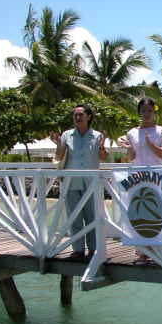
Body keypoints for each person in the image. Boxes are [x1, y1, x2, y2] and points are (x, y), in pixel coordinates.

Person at [118, 98, 162, 263]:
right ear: (139, 113)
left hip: (158, 179)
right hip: (138, 179)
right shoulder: (131, 133)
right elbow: (131, 157)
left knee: (158, 212)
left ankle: (159, 250)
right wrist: (129, 149)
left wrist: (151, 145)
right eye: (143, 111)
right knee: (139, 213)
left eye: (150, 110)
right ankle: (142, 251)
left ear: (154, 112)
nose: (147, 114)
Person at [50, 104, 108, 259]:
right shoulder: (67, 135)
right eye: (75, 115)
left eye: (81, 114)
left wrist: (102, 148)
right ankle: (78, 249)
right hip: (71, 181)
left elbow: (103, 157)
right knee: (74, 217)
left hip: (91, 182)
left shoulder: (97, 136)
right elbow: (59, 156)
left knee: (92, 216)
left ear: (88, 116)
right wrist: (58, 144)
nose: (77, 117)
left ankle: (94, 249)